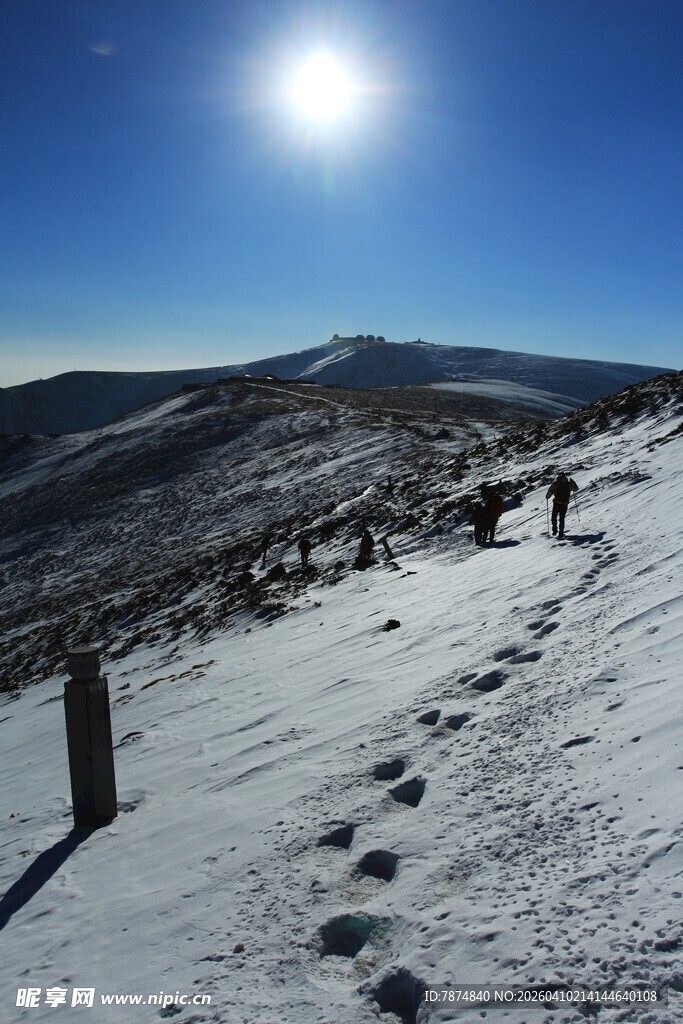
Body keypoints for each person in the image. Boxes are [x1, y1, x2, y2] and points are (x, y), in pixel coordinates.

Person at [546, 472, 579, 538]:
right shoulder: (568, 483)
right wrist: (573, 482)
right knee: (562, 518)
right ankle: (561, 532)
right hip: (565, 503)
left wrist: (547, 497)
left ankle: (554, 530)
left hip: (557, 502)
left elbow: (550, 491)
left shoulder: (556, 483)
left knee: (554, 516)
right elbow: (575, 489)